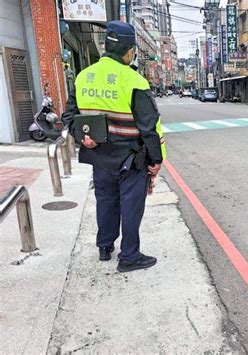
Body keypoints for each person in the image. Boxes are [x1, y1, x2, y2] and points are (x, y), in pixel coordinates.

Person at [62, 21, 166, 273]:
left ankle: (105, 246)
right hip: (130, 159)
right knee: (130, 206)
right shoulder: (134, 80)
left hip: (98, 155)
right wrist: (156, 159)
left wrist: (82, 137)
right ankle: (129, 255)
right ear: (129, 51)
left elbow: (69, 117)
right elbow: (148, 127)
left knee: (106, 201)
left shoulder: (83, 76)